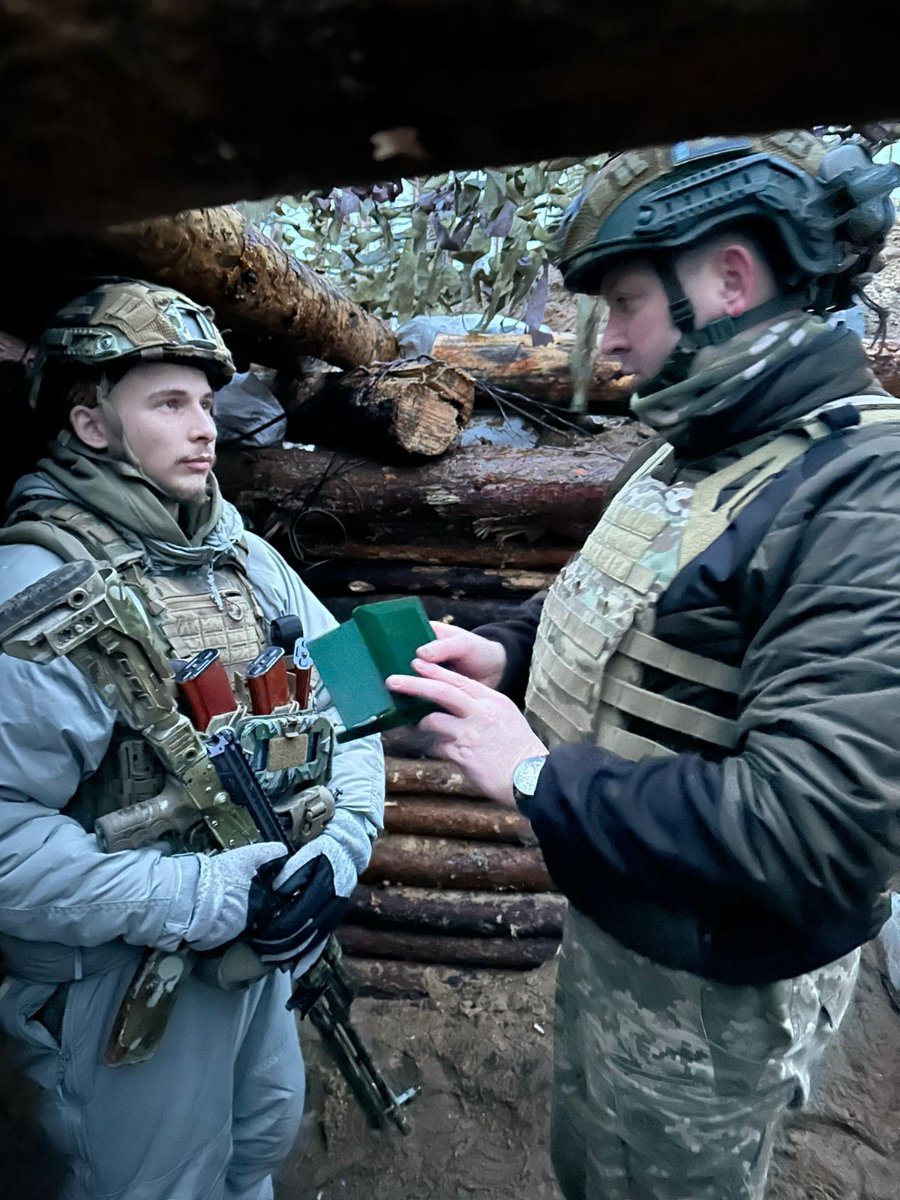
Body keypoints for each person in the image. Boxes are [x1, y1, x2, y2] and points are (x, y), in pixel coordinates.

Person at [387, 129, 900, 1199]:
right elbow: (622, 597)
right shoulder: (702, 444)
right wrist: (507, 651)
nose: (609, 340)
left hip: (716, 982)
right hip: (638, 922)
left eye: (623, 302)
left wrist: (538, 776)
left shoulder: (865, 491)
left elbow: (819, 827)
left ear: (730, 280)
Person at [0, 280, 384, 1200]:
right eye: (168, 404)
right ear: (92, 425)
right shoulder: (36, 588)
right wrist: (194, 895)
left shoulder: (244, 555)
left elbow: (359, 698)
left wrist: (340, 846)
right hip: (120, 977)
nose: (204, 428)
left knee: (259, 1145)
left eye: (206, 403)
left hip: (255, 955)